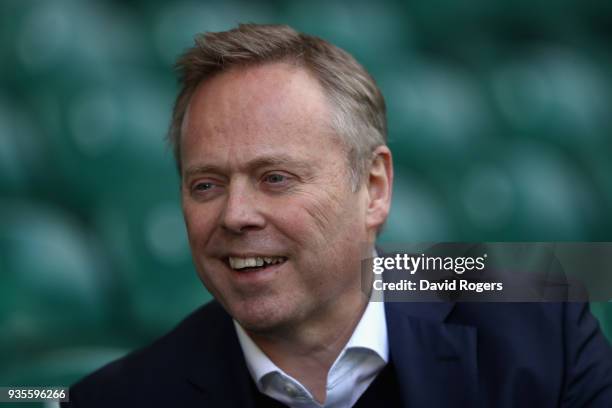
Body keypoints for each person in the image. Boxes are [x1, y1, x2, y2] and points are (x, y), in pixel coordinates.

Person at [63, 24, 612, 407]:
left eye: (275, 178)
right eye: (206, 185)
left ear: (373, 188)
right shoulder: (119, 400)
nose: (234, 214)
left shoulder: (542, 333)